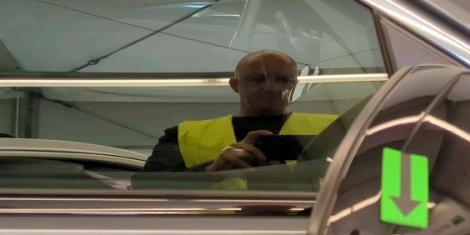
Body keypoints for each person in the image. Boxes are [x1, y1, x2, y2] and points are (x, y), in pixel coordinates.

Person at [141, 50, 337, 174]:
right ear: (235, 85)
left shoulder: (335, 128)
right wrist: (211, 170)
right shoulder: (182, 135)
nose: (271, 88)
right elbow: (146, 186)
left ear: (294, 85)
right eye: (258, 79)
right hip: (213, 227)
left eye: (283, 80)